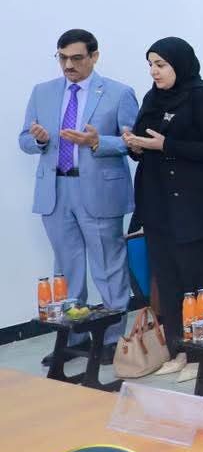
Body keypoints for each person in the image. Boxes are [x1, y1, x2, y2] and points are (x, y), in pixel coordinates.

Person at [19, 29, 139, 360]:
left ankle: (112, 340)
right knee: (66, 268)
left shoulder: (118, 93)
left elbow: (133, 143)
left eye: (76, 58)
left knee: (108, 265)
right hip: (55, 190)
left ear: (94, 56)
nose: (68, 65)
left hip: (100, 190)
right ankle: (73, 339)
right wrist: (39, 140)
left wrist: (98, 141)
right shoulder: (43, 92)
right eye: (62, 58)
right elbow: (24, 139)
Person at [124, 38, 203, 383]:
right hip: (159, 206)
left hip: (198, 208)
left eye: (161, 65)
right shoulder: (153, 99)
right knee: (170, 283)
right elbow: (145, 139)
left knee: (198, 283)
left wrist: (166, 145)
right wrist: (135, 146)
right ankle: (178, 350)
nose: (154, 72)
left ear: (180, 64)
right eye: (151, 65)